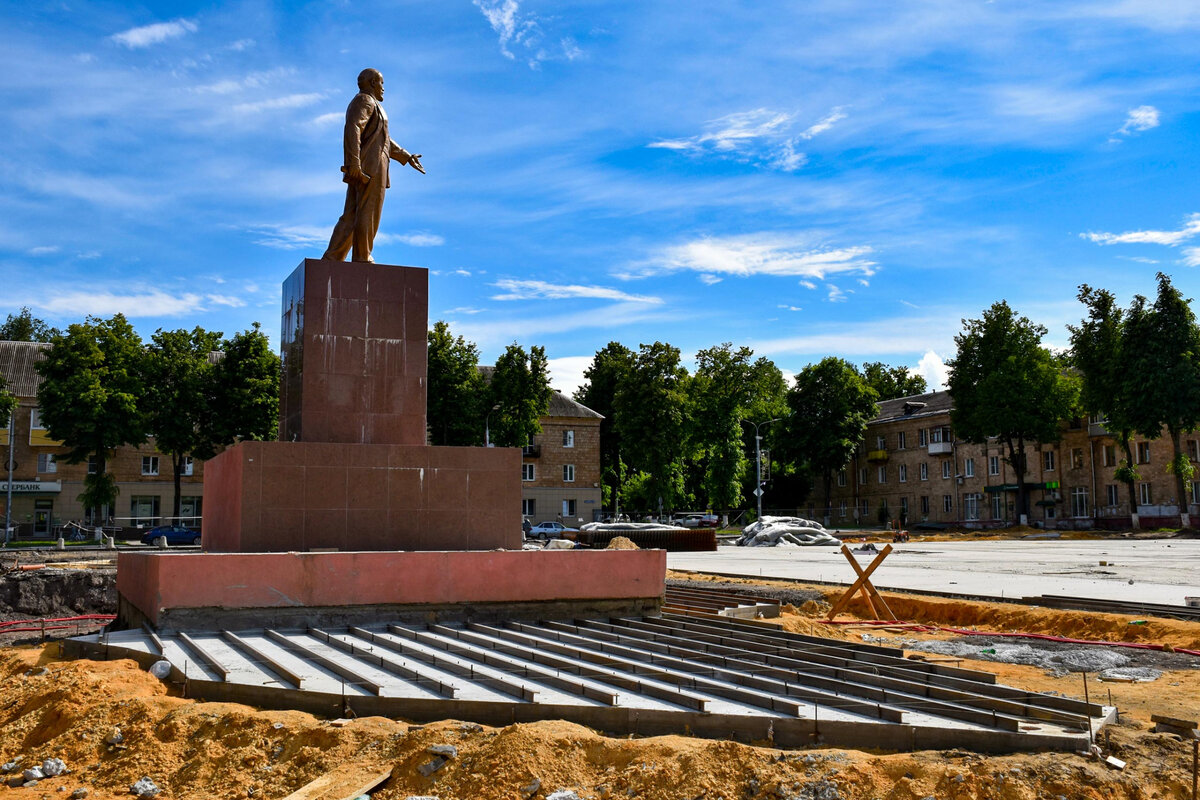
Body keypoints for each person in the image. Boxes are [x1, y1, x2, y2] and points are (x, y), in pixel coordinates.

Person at [322, 68, 425, 263]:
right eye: (381, 83)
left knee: (352, 214)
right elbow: (353, 128)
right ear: (371, 83)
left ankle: (332, 258)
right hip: (370, 165)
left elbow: (383, 139)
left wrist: (406, 156)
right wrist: (353, 163)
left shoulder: (372, 105)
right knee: (368, 212)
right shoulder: (365, 100)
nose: (383, 88)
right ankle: (362, 257)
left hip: (368, 163)